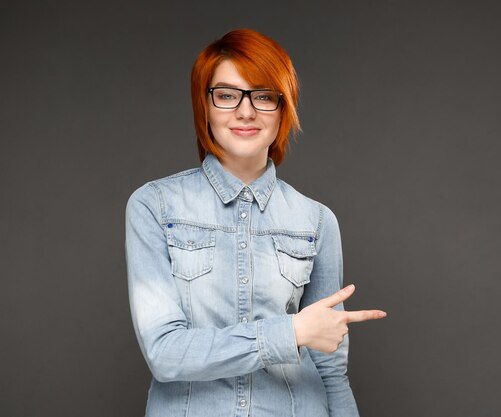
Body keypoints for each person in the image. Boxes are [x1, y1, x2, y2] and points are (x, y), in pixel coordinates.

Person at [125, 28, 386, 417]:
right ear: (205, 106)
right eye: (227, 95)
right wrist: (291, 332)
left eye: (263, 96)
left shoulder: (316, 221)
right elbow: (166, 354)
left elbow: (331, 371)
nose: (245, 112)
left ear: (284, 108)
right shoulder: (155, 206)